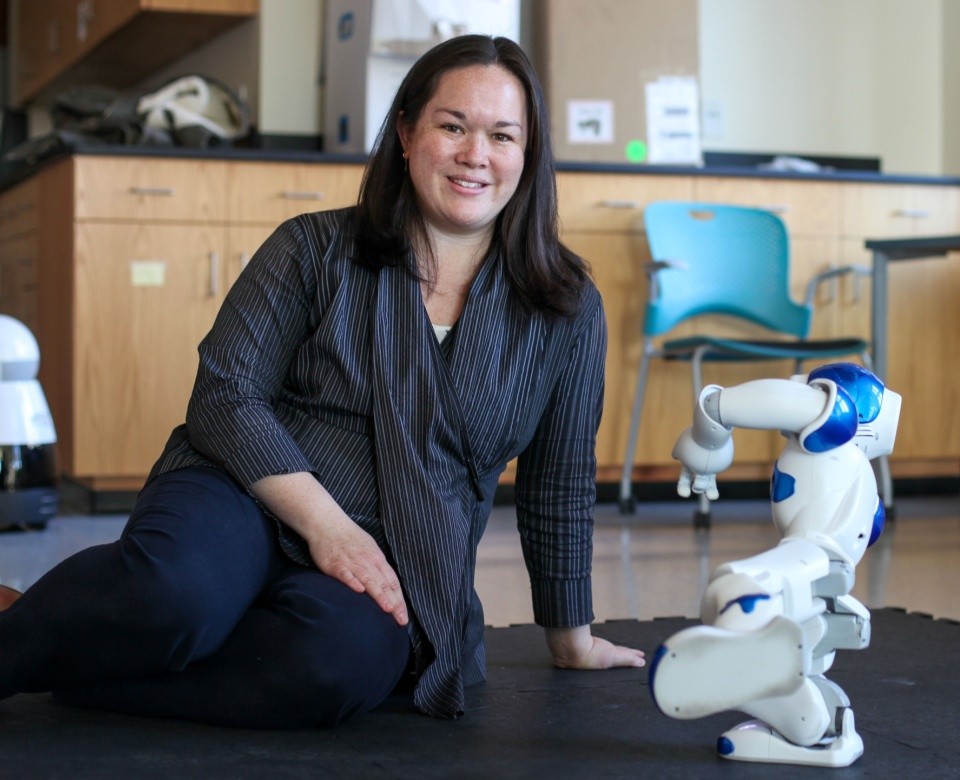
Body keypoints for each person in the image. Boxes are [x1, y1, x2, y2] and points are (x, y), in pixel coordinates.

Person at [0, 34, 644, 729]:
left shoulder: (566, 308)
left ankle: (74, 659)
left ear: (530, 152)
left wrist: (571, 639)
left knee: (335, 667)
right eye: (452, 126)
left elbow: (559, 480)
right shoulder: (313, 247)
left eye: (502, 136)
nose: (475, 155)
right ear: (406, 131)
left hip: (396, 551)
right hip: (243, 494)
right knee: (174, 594)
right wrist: (328, 528)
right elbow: (224, 395)